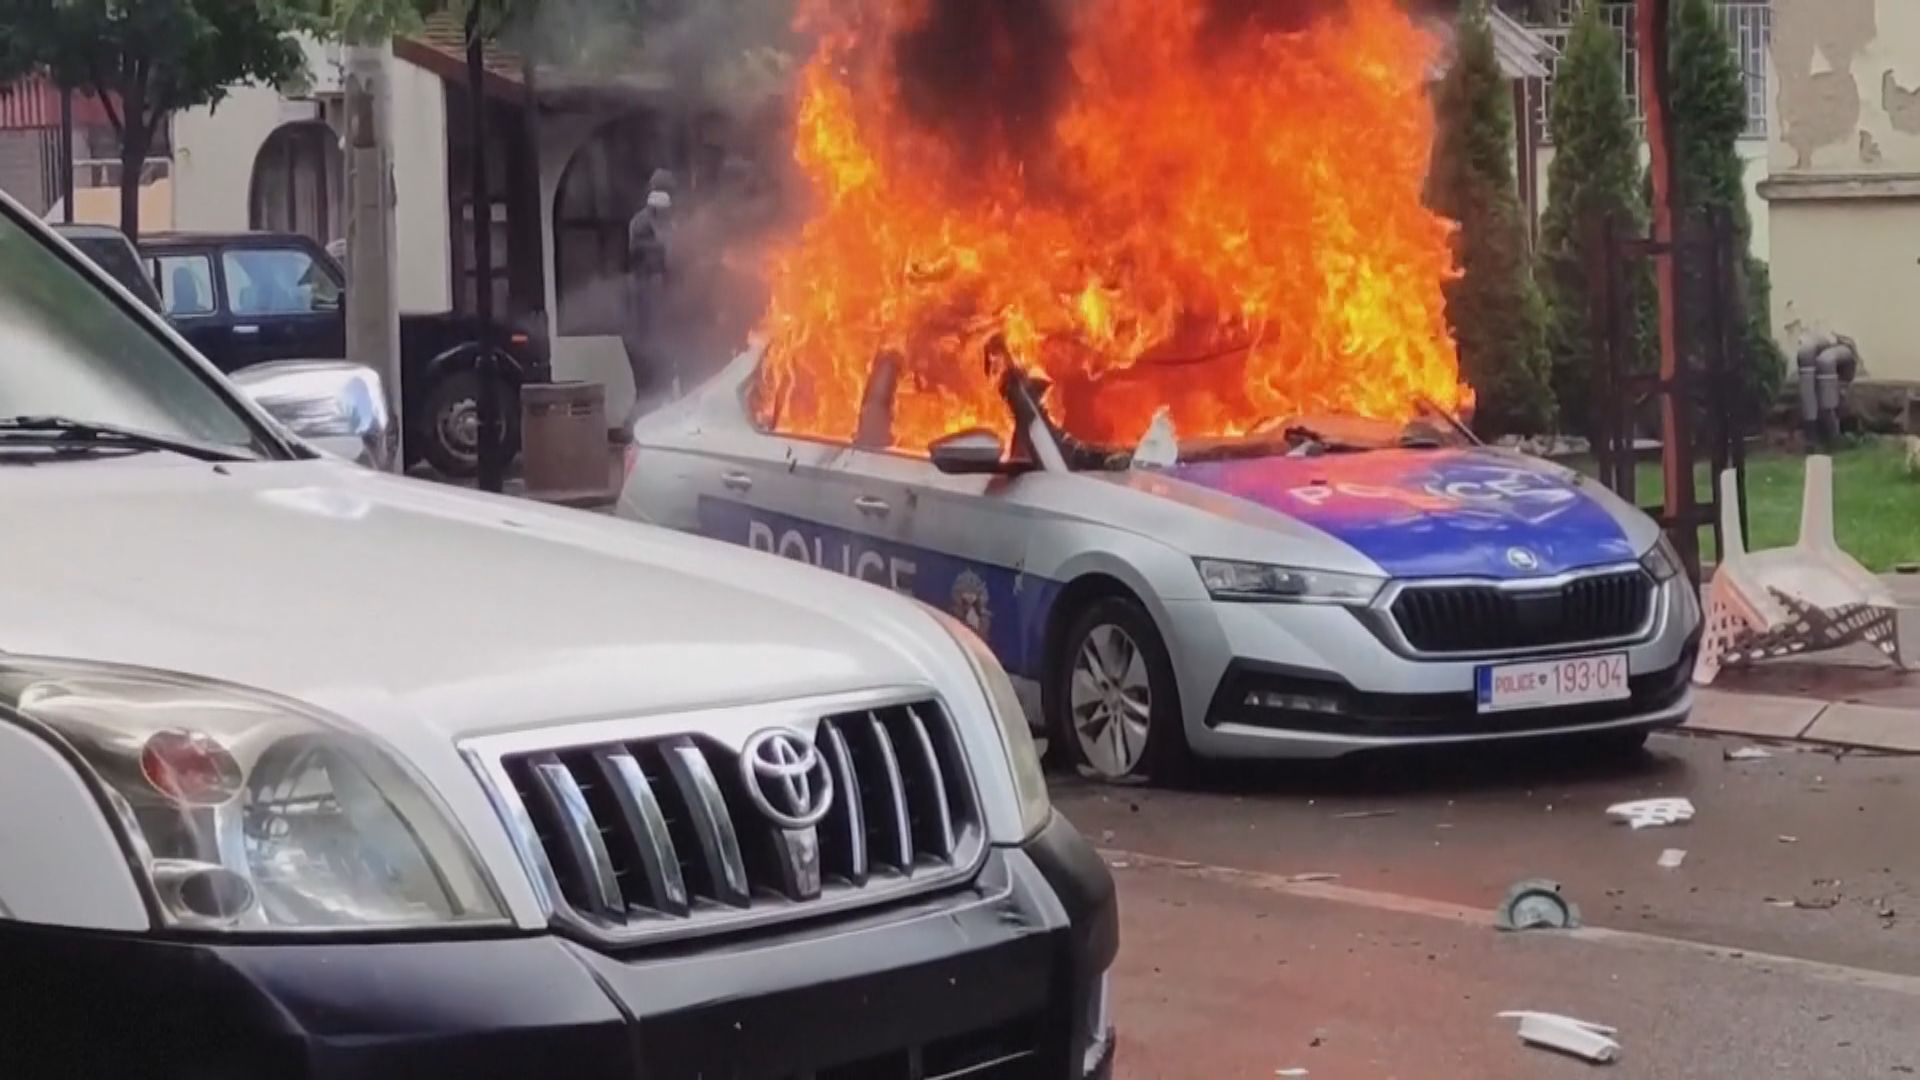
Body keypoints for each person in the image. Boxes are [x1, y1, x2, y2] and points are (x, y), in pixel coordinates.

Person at [623, 169, 676, 422]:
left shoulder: (658, 224)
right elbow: (644, 255)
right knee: (650, 390)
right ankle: (637, 432)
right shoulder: (643, 225)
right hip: (643, 333)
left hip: (649, 332)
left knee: (657, 389)